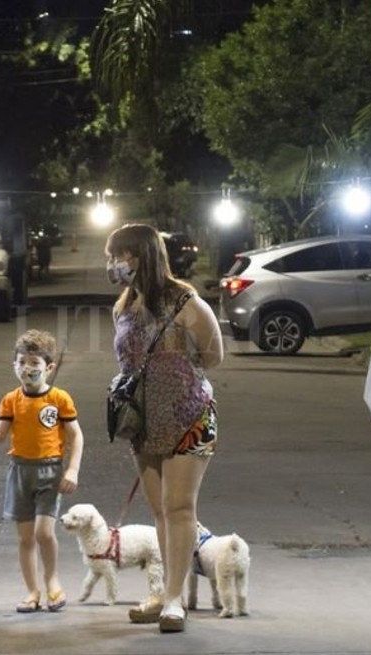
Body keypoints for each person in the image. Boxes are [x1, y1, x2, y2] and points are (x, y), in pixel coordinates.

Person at [106, 223, 223, 633]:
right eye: (112, 256)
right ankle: (169, 590)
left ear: (143, 257)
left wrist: (177, 376)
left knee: (179, 507)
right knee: (159, 510)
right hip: (142, 423)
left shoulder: (186, 301)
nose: (114, 265)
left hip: (189, 418)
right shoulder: (123, 307)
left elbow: (213, 356)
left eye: (120, 256)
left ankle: (174, 599)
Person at [0, 329, 83, 613]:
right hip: (20, 473)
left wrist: (72, 470)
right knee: (25, 537)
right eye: (21, 363)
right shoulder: (11, 400)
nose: (27, 369)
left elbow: (76, 435)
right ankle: (32, 590)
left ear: (49, 368)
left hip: (49, 472)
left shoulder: (59, 399)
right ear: (14, 365)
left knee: (43, 532)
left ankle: (53, 582)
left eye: (34, 364)